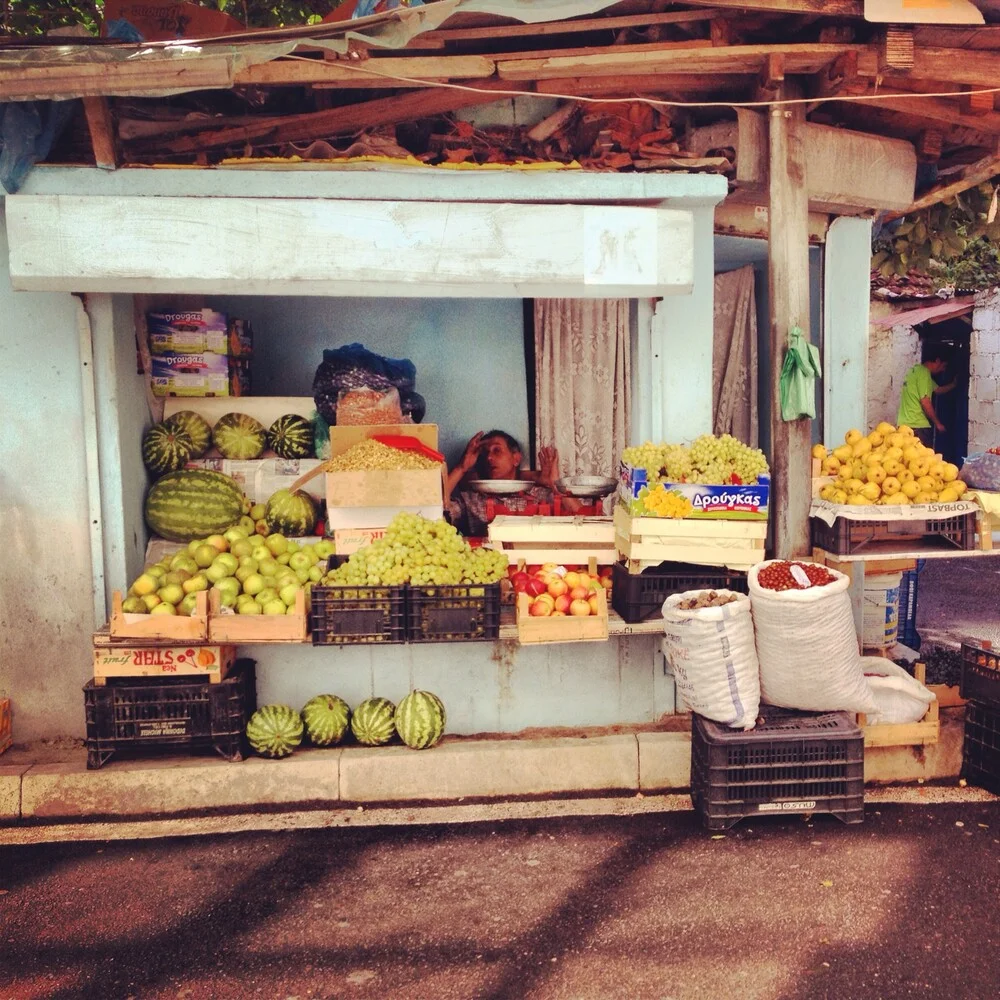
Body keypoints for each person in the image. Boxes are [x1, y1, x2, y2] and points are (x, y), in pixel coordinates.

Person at [444, 430, 579, 536]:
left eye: (497, 450)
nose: (489, 458)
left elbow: (585, 519)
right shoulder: (472, 500)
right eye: (485, 453)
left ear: (516, 458)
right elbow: (433, 511)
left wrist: (554, 482)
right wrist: (461, 468)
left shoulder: (541, 495)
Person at [896, 346, 956, 448]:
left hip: (903, 424)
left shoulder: (915, 371)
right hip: (917, 426)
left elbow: (938, 390)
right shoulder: (924, 374)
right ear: (937, 361)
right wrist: (938, 423)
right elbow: (925, 401)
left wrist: (954, 384)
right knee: (923, 461)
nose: (943, 370)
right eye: (943, 366)